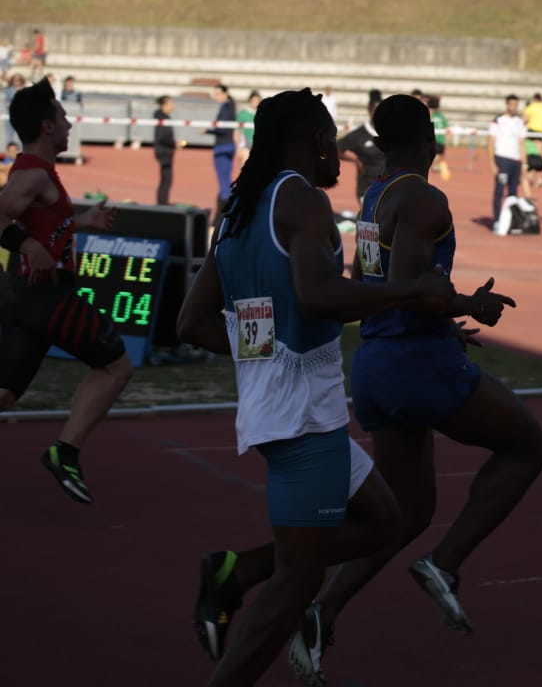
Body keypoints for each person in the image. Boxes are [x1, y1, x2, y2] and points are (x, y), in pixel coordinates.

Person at [175, 88, 463, 686]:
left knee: (390, 520)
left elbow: (192, 323)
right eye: (332, 137)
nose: (341, 150)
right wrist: (413, 291)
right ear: (310, 141)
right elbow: (319, 298)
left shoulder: (239, 206)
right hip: (303, 420)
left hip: (289, 409)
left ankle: (238, 570)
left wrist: (265, 349)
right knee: (297, 584)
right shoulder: (303, 201)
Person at [286, 95, 542, 684]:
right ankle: (445, 564)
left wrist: (443, 319)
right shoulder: (425, 197)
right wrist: (466, 303)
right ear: (431, 138)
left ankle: (321, 610)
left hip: (378, 361)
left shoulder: (374, 193)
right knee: (529, 446)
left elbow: (370, 282)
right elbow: (407, 285)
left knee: (406, 512)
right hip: (416, 363)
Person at [0, 79, 132, 503]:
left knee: (5, 393)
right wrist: (26, 244)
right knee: (116, 367)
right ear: (46, 126)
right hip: (47, 299)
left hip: (28, 299)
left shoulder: (37, 174)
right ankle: (65, 452)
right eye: (62, 117)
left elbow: (41, 218)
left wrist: (81, 220)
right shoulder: (32, 172)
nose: (70, 123)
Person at [337, 89, 385, 212]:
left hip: (390, 188)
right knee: (372, 226)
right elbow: (336, 148)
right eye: (375, 110)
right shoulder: (359, 135)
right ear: (369, 110)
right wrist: (355, 159)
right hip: (368, 189)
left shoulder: (391, 134)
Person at [488, 94, 526, 223]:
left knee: (513, 193)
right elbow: (491, 142)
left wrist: (524, 163)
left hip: (516, 161)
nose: (513, 107)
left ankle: (510, 221)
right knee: (499, 190)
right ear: (507, 104)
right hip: (502, 159)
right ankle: (497, 220)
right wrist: (492, 162)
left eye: (515, 105)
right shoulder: (498, 120)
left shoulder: (520, 122)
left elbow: (522, 143)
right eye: (511, 104)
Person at [208, 85, 237, 218]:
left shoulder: (226, 107)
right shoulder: (229, 106)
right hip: (228, 145)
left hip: (223, 146)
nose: (216, 96)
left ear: (225, 93)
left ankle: (224, 216)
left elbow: (222, 128)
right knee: (226, 181)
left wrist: (208, 130)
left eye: (218, 93)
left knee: (224, 184)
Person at [152, 95, 187, 206]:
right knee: (166, 180)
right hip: (164, 151)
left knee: (165, 179)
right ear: (164, 104)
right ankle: (162, 204)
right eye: (171, 103)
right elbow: (162, 137)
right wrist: (174, 143)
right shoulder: (162, 118)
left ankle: (162, 203)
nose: (173, 105)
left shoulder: (163, 117)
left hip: (165, 150)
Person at [523, 93, 542, 190]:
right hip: (541, 131)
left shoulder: (531, 107)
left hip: (532, 130)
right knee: (538, 150)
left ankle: (531, 173)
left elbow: (525, 119)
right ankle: (538, 176)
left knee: (529, 151)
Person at [428, 95, 452, 182]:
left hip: (433, 141)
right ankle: (437, 165)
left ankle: (435, 166)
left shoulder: (429, 114)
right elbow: (447, 129)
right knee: (438, 158)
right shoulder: (441, 116)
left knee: (429, 164)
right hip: (440, 142)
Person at [235, 91, 261, 170]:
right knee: (245, 168)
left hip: (259, 146)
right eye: (254, 101)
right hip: (246, 145)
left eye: (257, 101)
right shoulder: (243, 114)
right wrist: (238, 147)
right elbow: (237, 131)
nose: (255, 103)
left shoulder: (263, 113)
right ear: (250, 101)